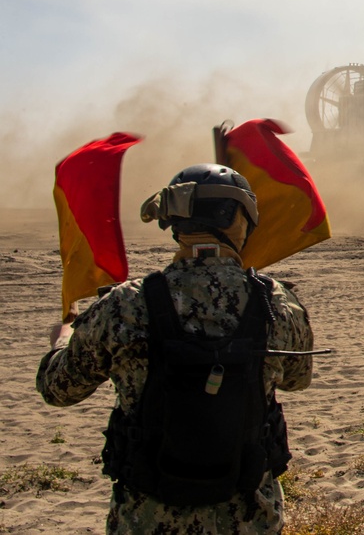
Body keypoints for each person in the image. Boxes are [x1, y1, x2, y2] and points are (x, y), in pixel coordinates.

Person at [37, 163, 315, 534]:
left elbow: (57, 389)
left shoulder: (126, 304)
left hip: (147, 517)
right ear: (241, 220)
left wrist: (64, 337)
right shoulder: (277, 303)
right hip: (250, 517)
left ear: (175, 224)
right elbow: (298, 379)